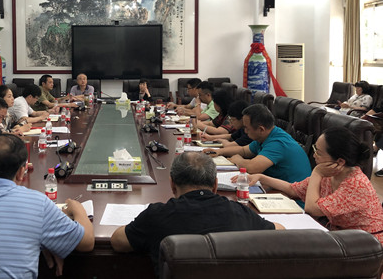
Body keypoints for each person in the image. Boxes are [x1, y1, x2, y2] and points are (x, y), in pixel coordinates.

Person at [0, 134, 94, 278]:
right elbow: (87, 243)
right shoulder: (36, 203)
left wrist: (39, 241)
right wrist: (77, 209)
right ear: (21, 172)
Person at [110, 152, 283, 272]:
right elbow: (280, 233)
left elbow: (118, 241)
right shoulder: (240, 213)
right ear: (215, 185)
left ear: (172, 184)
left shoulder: (156, 216)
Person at [246, 127, 383, 244]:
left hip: (366, 244)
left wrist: (317, 173)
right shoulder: (331, 173)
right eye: (315, 149)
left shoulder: (355, 184)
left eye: (319, 152)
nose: (314, 155)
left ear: (340, 161)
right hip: (342, 236)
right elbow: (293, 189)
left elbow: (311, 209)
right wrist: (261, 177)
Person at [205, 104, 311, 183]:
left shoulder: (278, 143)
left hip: (292, 199)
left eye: (247, 128)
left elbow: (253, 168)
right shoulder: (265, 136)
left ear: (261, 129)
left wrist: (239, 160)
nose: (245, 131)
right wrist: (219, 152)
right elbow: (243, 150)